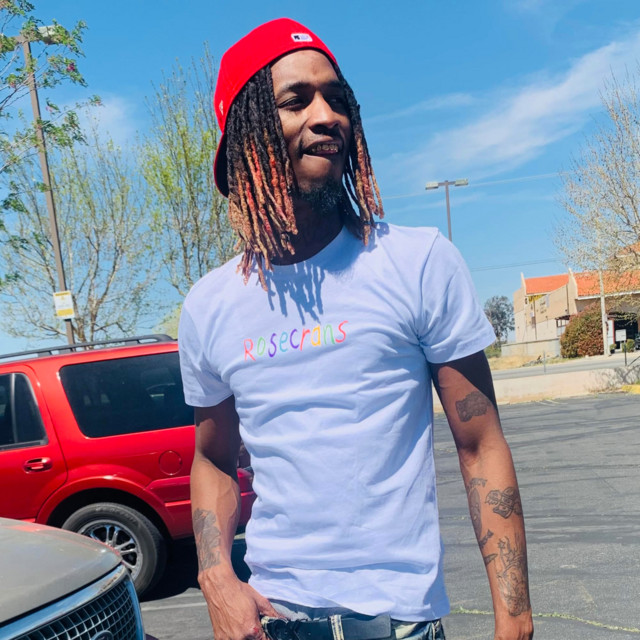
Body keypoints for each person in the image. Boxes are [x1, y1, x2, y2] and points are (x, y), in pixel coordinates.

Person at [178, 18, 533, 640]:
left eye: (337, 99)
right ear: (247, 135)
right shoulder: (210, 305)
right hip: (273, 622)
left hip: (400, 624)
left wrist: (515, 618)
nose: (326, 116)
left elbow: (480, 444)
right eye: (296, 101)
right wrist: (216, 577)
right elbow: (212, 458)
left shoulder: (417, 262)